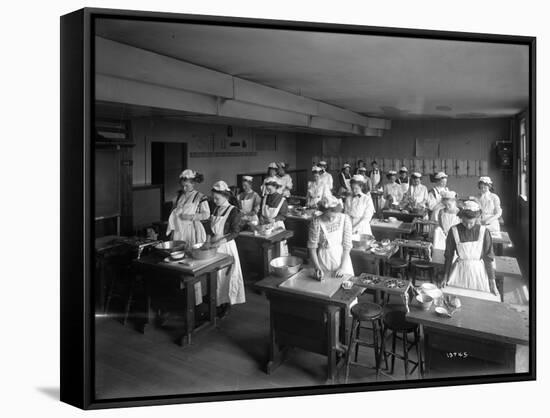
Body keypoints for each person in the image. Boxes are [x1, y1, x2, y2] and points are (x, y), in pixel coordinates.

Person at [443, 200, 499, 298]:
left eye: (471, 223)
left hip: (478, 273)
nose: (468, 226)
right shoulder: (454, 231)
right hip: (459, 271)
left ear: (477, 219)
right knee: (456, 299)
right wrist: (445, 276)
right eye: (464, 222)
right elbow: (449, 256)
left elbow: (488, 258)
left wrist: (492, 282)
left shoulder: (484, 232)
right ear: (461, 218)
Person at [209, 181, 246, 315]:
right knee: (216, 275)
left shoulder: (233, 211)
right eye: (213, 197)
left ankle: (225, 303)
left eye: (216, 198)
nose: (214, 200)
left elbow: (235, 232)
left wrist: (221, 241)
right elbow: (211, 229)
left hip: (226, 246)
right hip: (215, 245)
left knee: (226, 276)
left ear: (225, 196)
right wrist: (209, 242)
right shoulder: (216, 209)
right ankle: (216, 302)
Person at [308, 195, 354, 279]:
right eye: (328, 216)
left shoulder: (345, 219)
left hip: (342, 258)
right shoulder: (316, 222)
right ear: (323, 212)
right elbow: (312, 247)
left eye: (334, 216)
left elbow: (347, 246)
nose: (331, 219)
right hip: (324, 259)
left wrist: (342, 267)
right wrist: (317, 267)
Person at [166, 169, 210, 244]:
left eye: (186, 186)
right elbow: (172, 213)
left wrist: (190, 217)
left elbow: (206, 215)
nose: (184, 188)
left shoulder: (200, 197)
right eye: (182, 186)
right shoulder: (179, 196)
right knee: (179, 249)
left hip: (192, 228)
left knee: (190, 250)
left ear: (193, 184)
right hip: (179, 229)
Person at [259, 176, 289, 255]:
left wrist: (274, 219)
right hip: (265, 226)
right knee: (267, 250)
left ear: (275, 187)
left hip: (277, 226)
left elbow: (283, 215)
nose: (268, 191)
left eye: (270, 189)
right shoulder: (265, 198)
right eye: (267, 189)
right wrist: (261, 217)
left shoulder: (282, 199)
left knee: (279, 249)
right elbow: (260, 211)